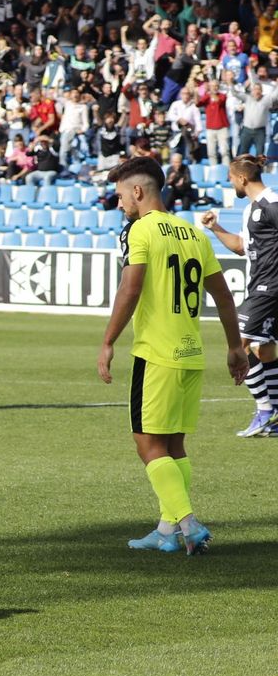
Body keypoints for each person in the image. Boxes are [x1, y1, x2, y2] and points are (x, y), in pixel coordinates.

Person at [98, 156, 245, 553]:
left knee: (147, 444)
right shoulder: (194, 233)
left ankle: (188, 523)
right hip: (190, 353)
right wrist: (235, 347)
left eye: (121, 195)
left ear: (138, 191)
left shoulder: (140, 230)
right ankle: (166, 531)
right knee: (173, 445)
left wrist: (109, 340)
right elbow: (224, 297)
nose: (120, 204)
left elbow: (131, 288)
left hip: (157, 353)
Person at [201, 155, 278, 436]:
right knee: (265, 349)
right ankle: (275, 415)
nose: (229, 182)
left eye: (231, 178)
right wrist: (215, 228)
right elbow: (241, 248)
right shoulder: (251, 209)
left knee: (240, 344)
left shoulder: (272, 204)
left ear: (242, 178)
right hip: (262, 287)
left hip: (268, 289)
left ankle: (265, 409)